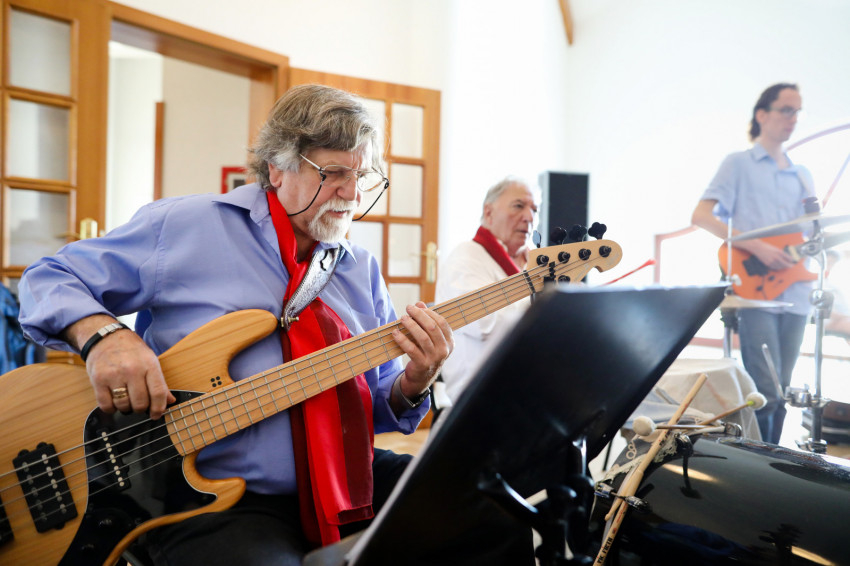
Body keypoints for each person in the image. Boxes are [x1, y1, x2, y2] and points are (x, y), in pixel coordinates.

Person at [17, 85, 537, 565]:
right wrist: (105, 336)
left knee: (492, 515)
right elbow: (48, 277)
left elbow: (376, 406)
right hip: (207, 496)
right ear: (277, 169)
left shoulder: (361, 270)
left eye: (362, 177)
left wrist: (415, 381)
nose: (352, 195)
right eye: (333, 173)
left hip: (342, 478)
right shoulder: (186, 226)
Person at [691, 83, 815, 445]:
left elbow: (812, 234)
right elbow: (701, 215)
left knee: (783, 393)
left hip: (797, 291)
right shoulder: (738, 164)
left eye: (797, 111)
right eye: (786, 110)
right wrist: (756, 246)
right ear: (762, 114)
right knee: (766, 394)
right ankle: (756, 464)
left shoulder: (802, 173)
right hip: (755, 290)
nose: (793, 118)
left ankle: (772, 464)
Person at [435, 176, 540, 403]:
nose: (529, 217)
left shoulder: (533, 263)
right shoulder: (466, 257)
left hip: (527, 391)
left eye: (534, 209)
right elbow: (486, 323)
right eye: (518, 206)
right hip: (480, 399)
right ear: (489, 212)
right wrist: (549, 308)